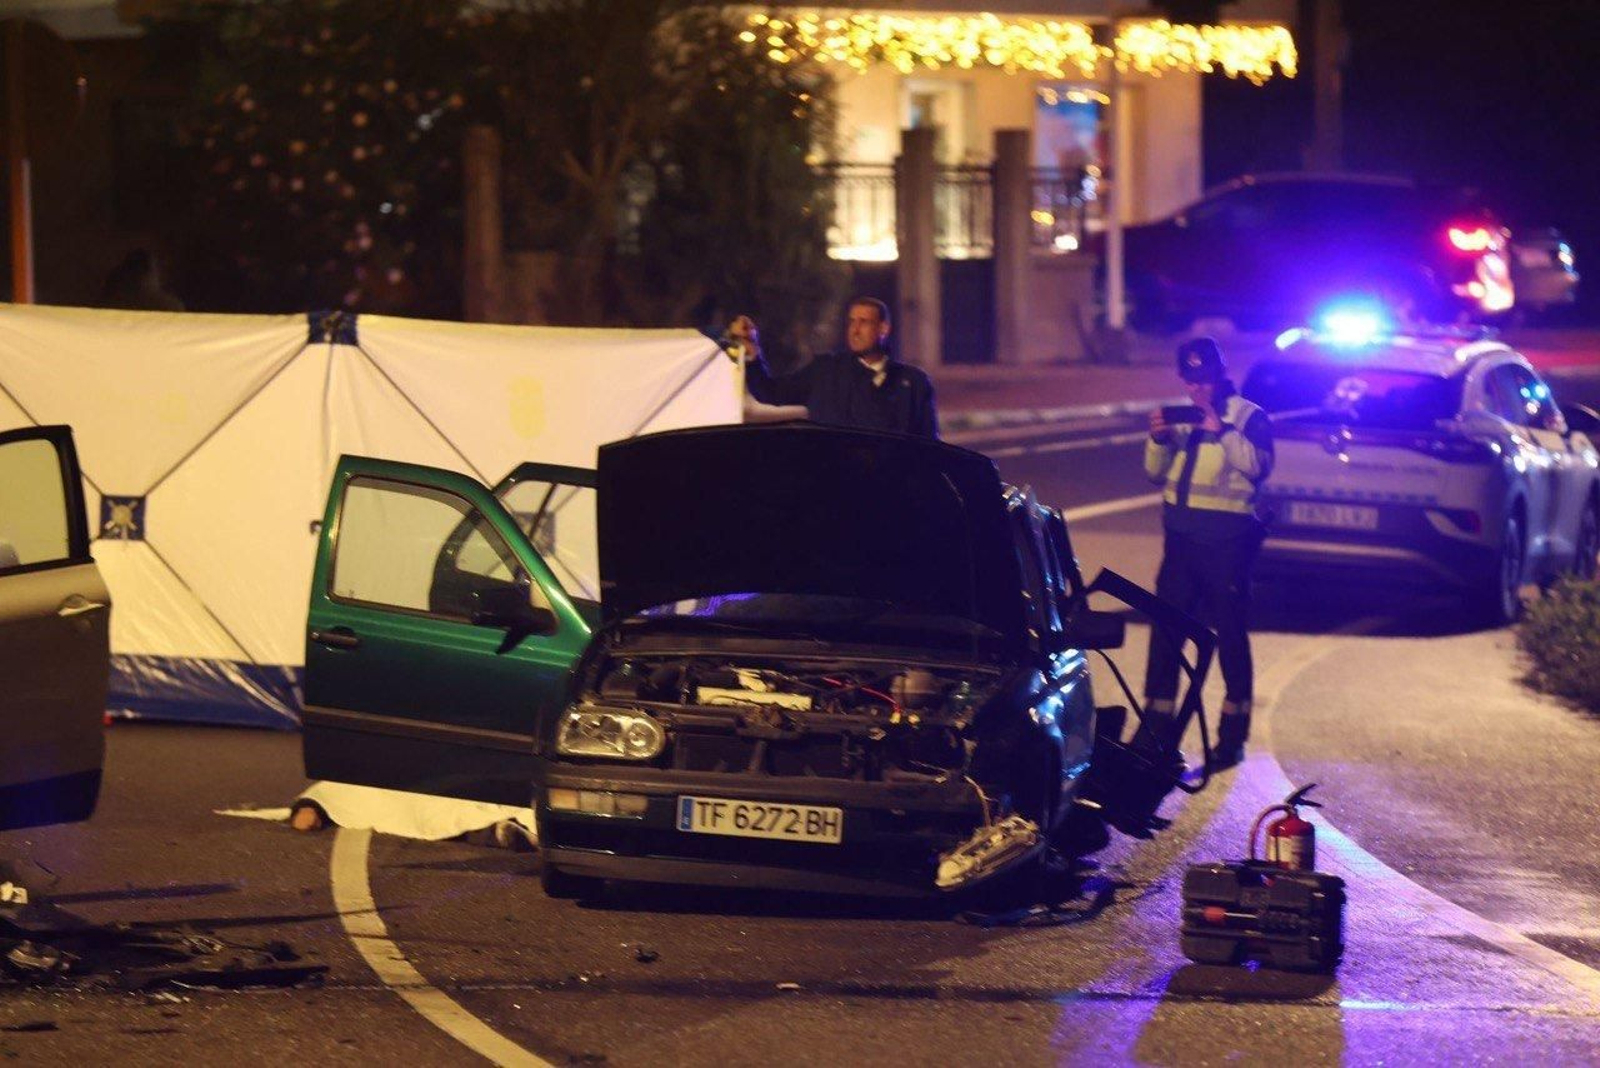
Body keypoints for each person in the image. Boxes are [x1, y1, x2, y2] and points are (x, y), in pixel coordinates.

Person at [1141, 337, 1273, 769]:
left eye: (1205, 379)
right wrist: (1159, 440)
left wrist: (1223, 431)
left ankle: (1232, 737)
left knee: (1231, 637)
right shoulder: (1181, 419)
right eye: (1190, 380)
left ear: (1220, 373)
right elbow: (1154, 473)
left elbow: (1257, 466)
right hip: (1179, 544)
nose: (1198, 389)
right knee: (1165, 636)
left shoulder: (1249, 416)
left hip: (1228, 546)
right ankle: (1156, 732)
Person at [726, 297, 939, 439]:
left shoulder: (913, 383)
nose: (855, 330)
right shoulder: (825, 371)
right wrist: (752, 352)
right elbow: (770, 393)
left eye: (864, 322)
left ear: (883, 328)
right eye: (851, 322)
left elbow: (930, 448)